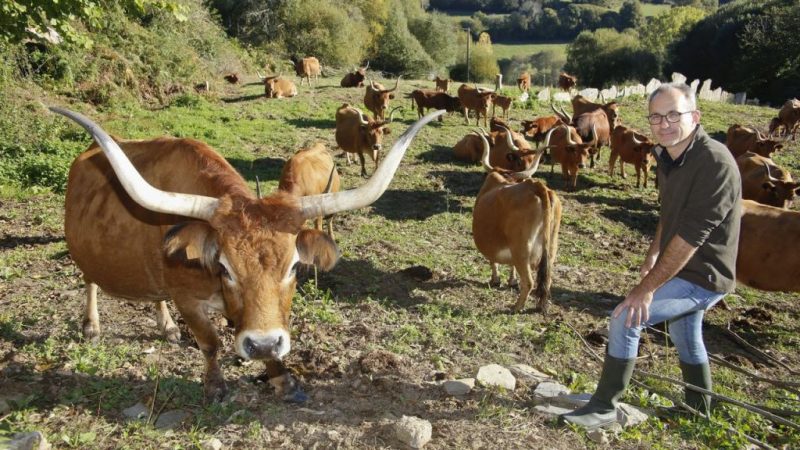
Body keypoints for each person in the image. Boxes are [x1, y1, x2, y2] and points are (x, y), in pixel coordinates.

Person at [561, 83, 742, 430]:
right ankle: (698, 408)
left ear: (695, 117)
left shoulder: (714, 163)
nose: (664, 124)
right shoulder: (669, 156)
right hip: (682, 268)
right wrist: (653, 253)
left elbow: (691, 236)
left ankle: (604, 406)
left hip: (705, 274)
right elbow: (669, 215)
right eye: (656, 117)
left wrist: (645, 289)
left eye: (674, 115)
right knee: (685, 332)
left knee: (625, 317)